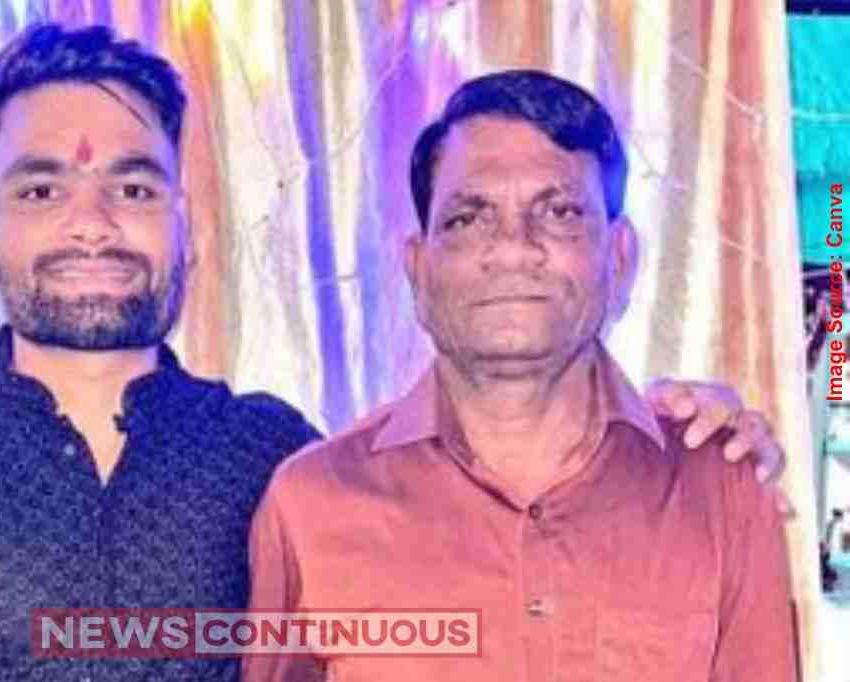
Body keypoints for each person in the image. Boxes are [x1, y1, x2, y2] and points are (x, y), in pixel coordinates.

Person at [0, 25, 787, 682]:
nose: (90, 224)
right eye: (41, 189)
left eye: (133, 187)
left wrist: (687, 424)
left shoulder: (271, 458)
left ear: (184, 217)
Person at [244, 70, 797, 681]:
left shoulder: (721, 489)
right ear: (418, 269)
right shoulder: (310, 504)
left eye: (559, 212)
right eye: (467, 218)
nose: (512, 248)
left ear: (619, 259)